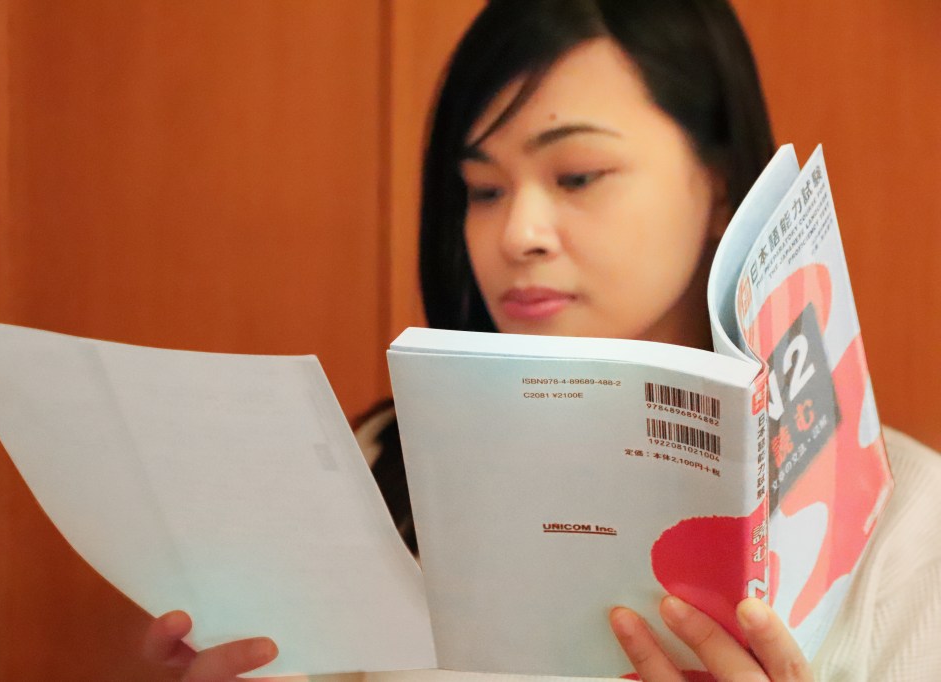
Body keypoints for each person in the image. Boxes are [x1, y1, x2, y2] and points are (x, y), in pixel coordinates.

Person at [142, 1, 941, 680]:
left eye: (577, 175)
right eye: (484, 189)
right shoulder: (378, 469)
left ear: (721, 186)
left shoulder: (907, 532)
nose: (516, 232)